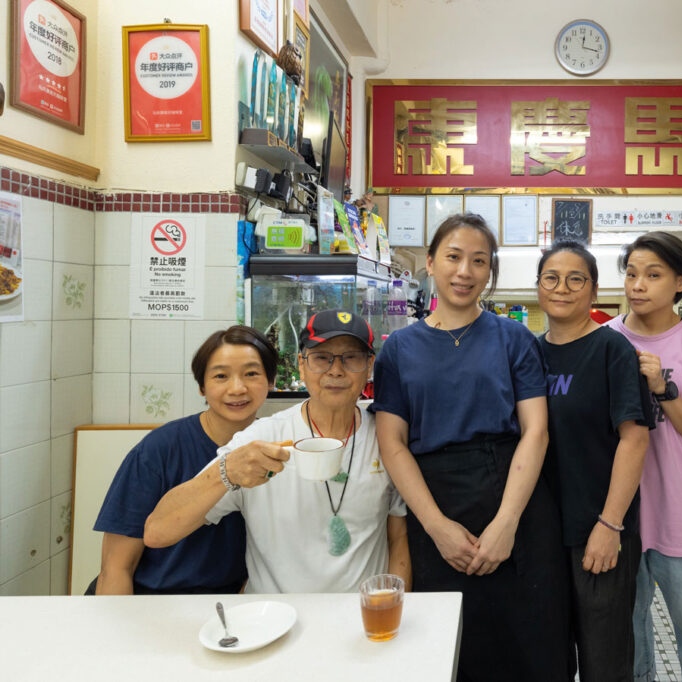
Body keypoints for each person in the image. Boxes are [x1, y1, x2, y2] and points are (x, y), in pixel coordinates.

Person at [373, 213, 571, 682]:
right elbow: (392, 443)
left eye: (479, 261)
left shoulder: (514, 338)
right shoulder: (399, 349)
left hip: (515, 495)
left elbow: (535, 432)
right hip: (435, 499)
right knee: (451, 644)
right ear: (430, 263)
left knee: (532, 642)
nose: (465, 271)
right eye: (454, 257)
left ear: (490, 271)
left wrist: (506, 523)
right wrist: (437, 526)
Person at [144, 311, 410, 593]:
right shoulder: (261, 440)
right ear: (301, 364)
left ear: (369, 366)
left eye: (351, 358)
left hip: (360, 620)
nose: (336, 370)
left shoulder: (386, 439)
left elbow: (398, 538)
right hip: (273, 620)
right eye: (322, 357)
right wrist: (227, 471)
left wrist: (394, 609)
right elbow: (157, 531)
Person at [605, 232, 682, 682]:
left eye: (653, 275)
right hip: (621, 521)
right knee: (628, 645)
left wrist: (663, 388)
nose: (638, 285)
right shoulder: (605, 340)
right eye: (632, 274)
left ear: (680, 282)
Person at [535, 241, 651, 682]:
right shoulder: (528, 352)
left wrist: (610, 525)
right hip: (540, 535)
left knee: (605, 661)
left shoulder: (612, 350)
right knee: (548, 654)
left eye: (575, 279)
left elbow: (635, 439)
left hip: (598, 534)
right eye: (551, 278)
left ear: (594, 289)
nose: (561, 288)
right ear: (538, 287)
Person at [90, 325, 277, 595]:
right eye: (221, 376)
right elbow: (116, 568)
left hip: (229, 608)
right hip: (150, 600)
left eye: (251, 374)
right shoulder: (159, 450)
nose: (237, 388)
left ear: (270, 381)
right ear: (202, 387)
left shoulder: (273, 452)